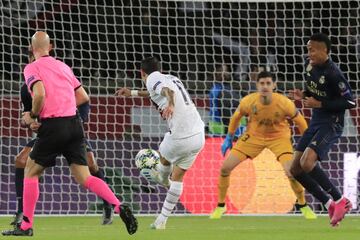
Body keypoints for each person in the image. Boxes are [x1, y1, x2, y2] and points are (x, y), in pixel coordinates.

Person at [2, 31, 137, 236]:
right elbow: (83, 96)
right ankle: (118, 205)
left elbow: (39, 93)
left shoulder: (32, 67)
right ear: (51, 47)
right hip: (74, 125)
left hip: (53, 126)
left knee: (30, 172)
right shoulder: (63, 66)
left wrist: (35, 116)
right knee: (84, 176)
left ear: (31, 49)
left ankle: (26, 226)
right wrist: (63, 108)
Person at [209, 71, 317, 220]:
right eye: (262, 83)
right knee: (225, 168)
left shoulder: (284, 102)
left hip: (279, 138)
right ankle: (221, 206)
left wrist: (306, 143)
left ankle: (303, 205)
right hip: (254, 137)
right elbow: (236, 117)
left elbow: (300, 121)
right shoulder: (249, 101)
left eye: (268, 83)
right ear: (257, 85)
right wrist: (229, 137)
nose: (265, 86)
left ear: (274, 85)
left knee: (291, 172)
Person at [115, 56, 205, 230]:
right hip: (198, 135)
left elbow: (167, 92)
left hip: (180, 136)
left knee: (163, 161)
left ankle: (162, 179)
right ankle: (161, 220)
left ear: (141, 72)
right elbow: (155, 92)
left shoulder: (152, 79)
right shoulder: (171, 78)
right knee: (178, 177)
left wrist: (170, 105)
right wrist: (132, 92)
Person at [9, 86, 115, 227]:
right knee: (21, 160)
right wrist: (30, 123)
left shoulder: (63, 82)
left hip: (70, 130)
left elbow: (83, 105)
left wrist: (71, 120)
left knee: (91, 164)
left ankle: (108, 204)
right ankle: (21, 211)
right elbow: (25, 116)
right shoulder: (26, 88)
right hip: (47, 134)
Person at [288, 33, 356, 227]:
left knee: (307, 163)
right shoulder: (309, 66)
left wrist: (319, 103)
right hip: (317, 121)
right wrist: (304, 95)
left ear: (324, 50)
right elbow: (315, 90)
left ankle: (340, 199)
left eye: (312, 49)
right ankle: (329, 204)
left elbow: (350, 101)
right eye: (308, 48)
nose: (309, 53)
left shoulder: (334, 73)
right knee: (295, 169)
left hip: (332, 123)